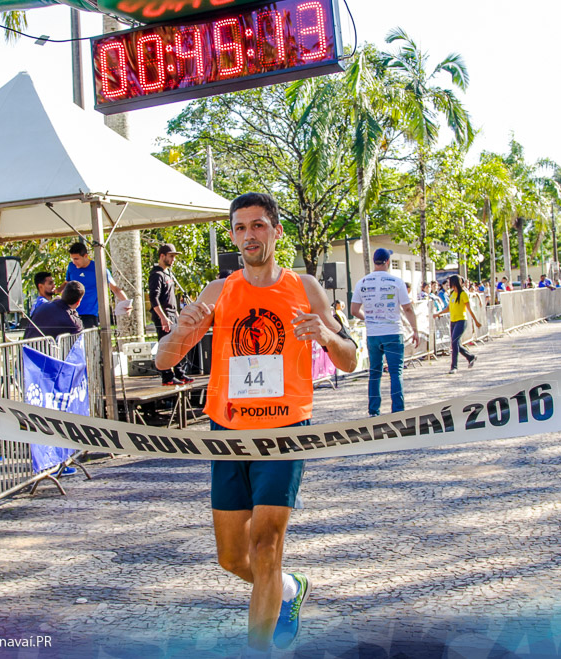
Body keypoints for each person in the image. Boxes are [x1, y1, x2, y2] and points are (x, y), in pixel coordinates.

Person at [154, 192, 357, 652]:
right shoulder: (217, 290)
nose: (250, 235)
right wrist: (181, 329)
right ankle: (287, 588)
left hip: (284, 432)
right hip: (227, 434)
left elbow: (349, 360)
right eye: (241, 227)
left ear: (276, 231)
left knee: (266, 547)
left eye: (259, 225)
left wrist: (325, 335)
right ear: (232, 235)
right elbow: (165, 359)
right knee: (231, 557)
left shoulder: (304, 287)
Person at [351, 248, 420, 417]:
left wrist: (367, 319)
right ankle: (397, 410)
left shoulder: (362, 282)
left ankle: (374, 410)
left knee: (375, 373)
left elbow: (354, 310)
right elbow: (408, 308)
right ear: (388, 262)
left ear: (374, 261)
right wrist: (415, 330)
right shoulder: (397, 282)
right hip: (393, 332)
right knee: (396, 372)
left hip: (373, 334)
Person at [149, 243, 194, 387]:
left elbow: (170, 298)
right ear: (162, 256)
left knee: (176, 344)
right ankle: (167, 375)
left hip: (171, 314)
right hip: (163, 316)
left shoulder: (167, 274)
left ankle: (179, 372)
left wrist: (175, 313)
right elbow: (153, 298)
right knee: (166, 344)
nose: (173, 260)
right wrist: (163, 317)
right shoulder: (156, 275)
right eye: (171, 256)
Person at [66, 240, 131, 329]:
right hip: (71, 313)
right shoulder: (71, 267)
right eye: (72, 259)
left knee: (90, 341)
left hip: (89, 315)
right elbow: (66, 284)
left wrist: (126, 302)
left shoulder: (99, 268)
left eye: (76, 259)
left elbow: (115, 289)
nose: (74, 262)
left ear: (85, 256)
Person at [436, 275, 480, 373]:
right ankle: (470, 356)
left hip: (461, 321)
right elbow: (448, 308)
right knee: (455, 343)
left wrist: (476, 321)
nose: (448, 285)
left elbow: (469, 309)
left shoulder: (463, 294)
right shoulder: (452, 294)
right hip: (453, 321)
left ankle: (454, 367)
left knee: (455, 343)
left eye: (450, 283)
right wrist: (438, 314)